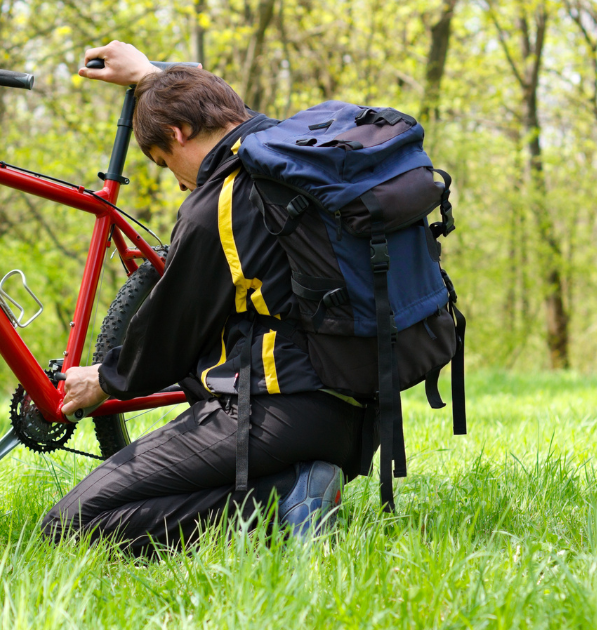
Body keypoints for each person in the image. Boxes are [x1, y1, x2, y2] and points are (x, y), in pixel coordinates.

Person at [40, 41, 379, 556]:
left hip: (278, 410)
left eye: (163, 160)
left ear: (178, 135)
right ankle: (299, 481)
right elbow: (219, 109)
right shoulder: (289, 153)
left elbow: (171, 331)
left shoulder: (217, 206)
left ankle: (287, 498)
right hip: (356, 413)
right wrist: (154, 78)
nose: (177, 181)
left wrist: (106, 378)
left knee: (68, 526)